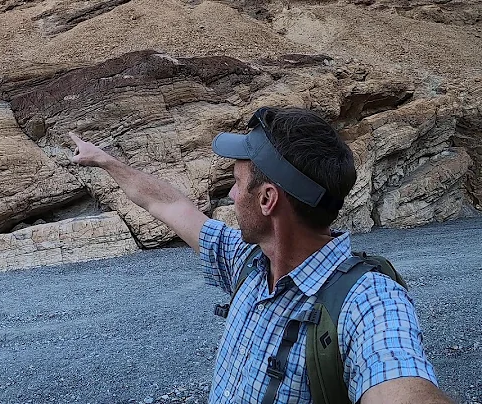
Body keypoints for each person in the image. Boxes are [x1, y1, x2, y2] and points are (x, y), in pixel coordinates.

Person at [69, 106, 453, 404]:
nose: (232, 197)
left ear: (268, 199)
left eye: (237, 184)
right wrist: (106, 161)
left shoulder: (370, 302)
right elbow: (167, 203)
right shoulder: (247, 260)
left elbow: (401, 382)